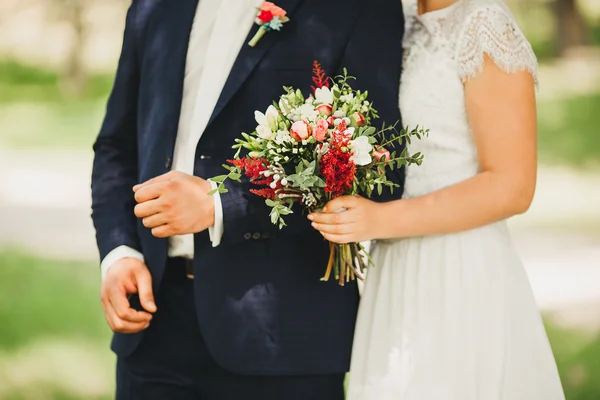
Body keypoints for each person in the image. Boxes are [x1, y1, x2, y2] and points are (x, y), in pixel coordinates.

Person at [90, 0, 405, 398]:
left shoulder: (355, 9)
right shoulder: (155, 7)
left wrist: (222, 203)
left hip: (282, 341)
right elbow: (117, 145)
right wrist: (119, 253)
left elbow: (378, 169)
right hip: (153, 329)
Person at [309, 0, 566, 398]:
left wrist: (381, 220)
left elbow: (513, 185)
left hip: (459, 269)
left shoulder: (485, 24)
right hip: (394, 271)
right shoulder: (399, 20)